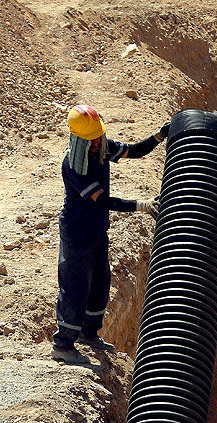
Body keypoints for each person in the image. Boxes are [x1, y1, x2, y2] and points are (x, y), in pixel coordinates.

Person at [52, 105, 169, 365]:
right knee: (75, 288)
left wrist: (159, 137)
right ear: (79, 140)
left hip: (96, 230)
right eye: (91, 139)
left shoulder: (102, 147)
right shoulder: (73, 165)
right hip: (76, 234)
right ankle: (63, 345)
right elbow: (101, 200)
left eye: (98, 136)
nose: (97, 142)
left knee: (100, 282)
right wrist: (141, 205)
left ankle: (89, 334)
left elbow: (134, 151)